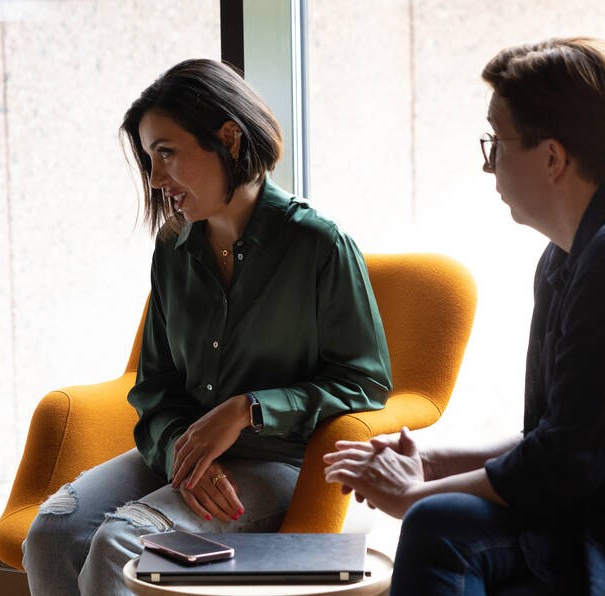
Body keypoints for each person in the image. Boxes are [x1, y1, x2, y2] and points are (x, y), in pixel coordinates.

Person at [323, 37, 605, 594]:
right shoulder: (574, 252)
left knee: (439, 524)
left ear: (553, 158)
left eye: (496, 143)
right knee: (445, 524)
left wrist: (413, 495)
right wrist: (430, 460)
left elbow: (563, 465)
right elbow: (557, 437)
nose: (487, 165)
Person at [21, 58, 393, 595]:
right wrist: (179, 449)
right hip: (185, 453)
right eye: (150, 159)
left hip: (281, 463)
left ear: (229, 139)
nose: (156, 179)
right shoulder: (173, 248)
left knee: (123, 541)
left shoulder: (318, 245)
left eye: (166, 153)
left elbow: (365, 383)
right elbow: (156, 388)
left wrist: (248, 410)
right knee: (51, 532)